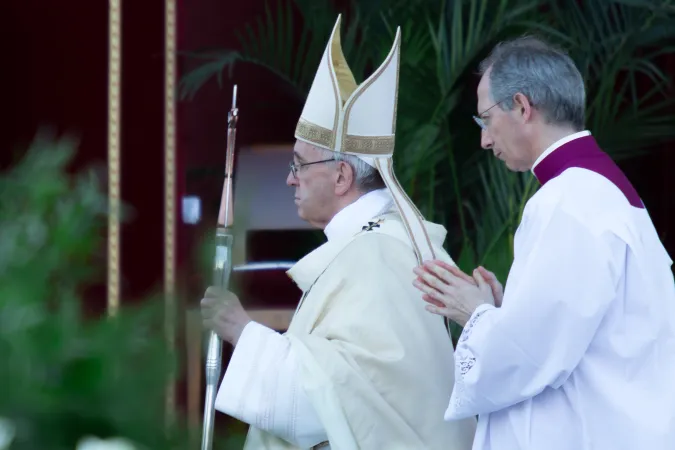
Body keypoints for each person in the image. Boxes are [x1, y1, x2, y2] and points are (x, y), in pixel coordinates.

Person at [200, 15, 477, 450]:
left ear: (342, 176)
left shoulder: (379, 255)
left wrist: (243, 332)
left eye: (298, 165)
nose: (290, 180)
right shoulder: (374, 245)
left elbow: (338, 406)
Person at [413, 35, 675, 449]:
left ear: (521, 106)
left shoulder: (568, 200)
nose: (483, 140)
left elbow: (528, 357)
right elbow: (573, 332)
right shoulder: (601, 190)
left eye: (485, 120)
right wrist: (505, 312)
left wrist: (476, 313)